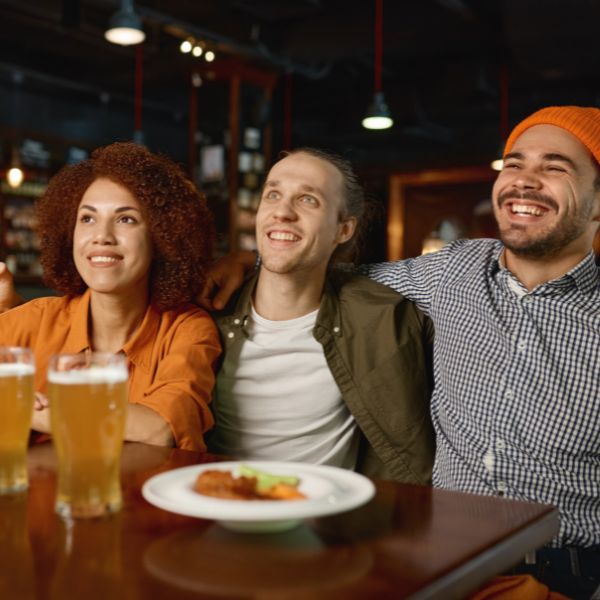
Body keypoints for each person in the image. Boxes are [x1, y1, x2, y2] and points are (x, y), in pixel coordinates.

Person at [200, 107, 600, 598]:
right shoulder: (455, 269)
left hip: (569, 573)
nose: (524, 181)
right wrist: (249, 259)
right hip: (446, 559)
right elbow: (319, 271)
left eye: (555, 168)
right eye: (514, 164)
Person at [207, 148, 435, 482]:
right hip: (216, 509)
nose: (282, 212)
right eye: (273, 194)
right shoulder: (208, 310)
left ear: (343, 230)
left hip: (328, 523)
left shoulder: (384, 319)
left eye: (307, 200)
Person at [0, 142, 221, 451]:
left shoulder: (187, 329)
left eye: (126, 219)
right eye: (87, 218)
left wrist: (22, 406)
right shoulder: (32, 321)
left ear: (162, 238)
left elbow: (160, 429)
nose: (101, 235)